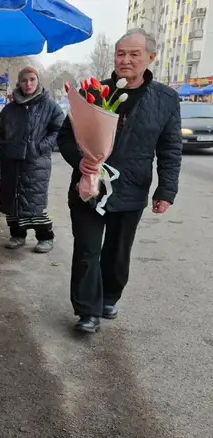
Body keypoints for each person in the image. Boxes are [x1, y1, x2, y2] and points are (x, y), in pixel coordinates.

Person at [58, 28, 182, 333]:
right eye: (120, 53)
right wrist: (83, 162)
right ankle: (87, 311)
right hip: (89, 187)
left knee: (117, 250)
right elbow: (65, 137)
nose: (125, 59)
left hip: (131, 188)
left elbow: (170, 148)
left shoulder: (166, 99)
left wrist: (165, 190)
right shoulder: (93, 93)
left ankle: (110, 296)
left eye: (134, 54)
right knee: (87, 250)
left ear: (151, 58)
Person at [0, 66, 64, 253]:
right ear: (19, 83)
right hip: (11, 162)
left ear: (38, 81)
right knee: (12, 200)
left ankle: (45, 237)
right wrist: (3, 147)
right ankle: (17, 235)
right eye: (24, 80)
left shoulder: (49, 106)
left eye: (32, 79)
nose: (28, 83)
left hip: (36, 162)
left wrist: (40, 147)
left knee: (35, 201)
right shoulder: (9, 109)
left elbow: (59, 130)